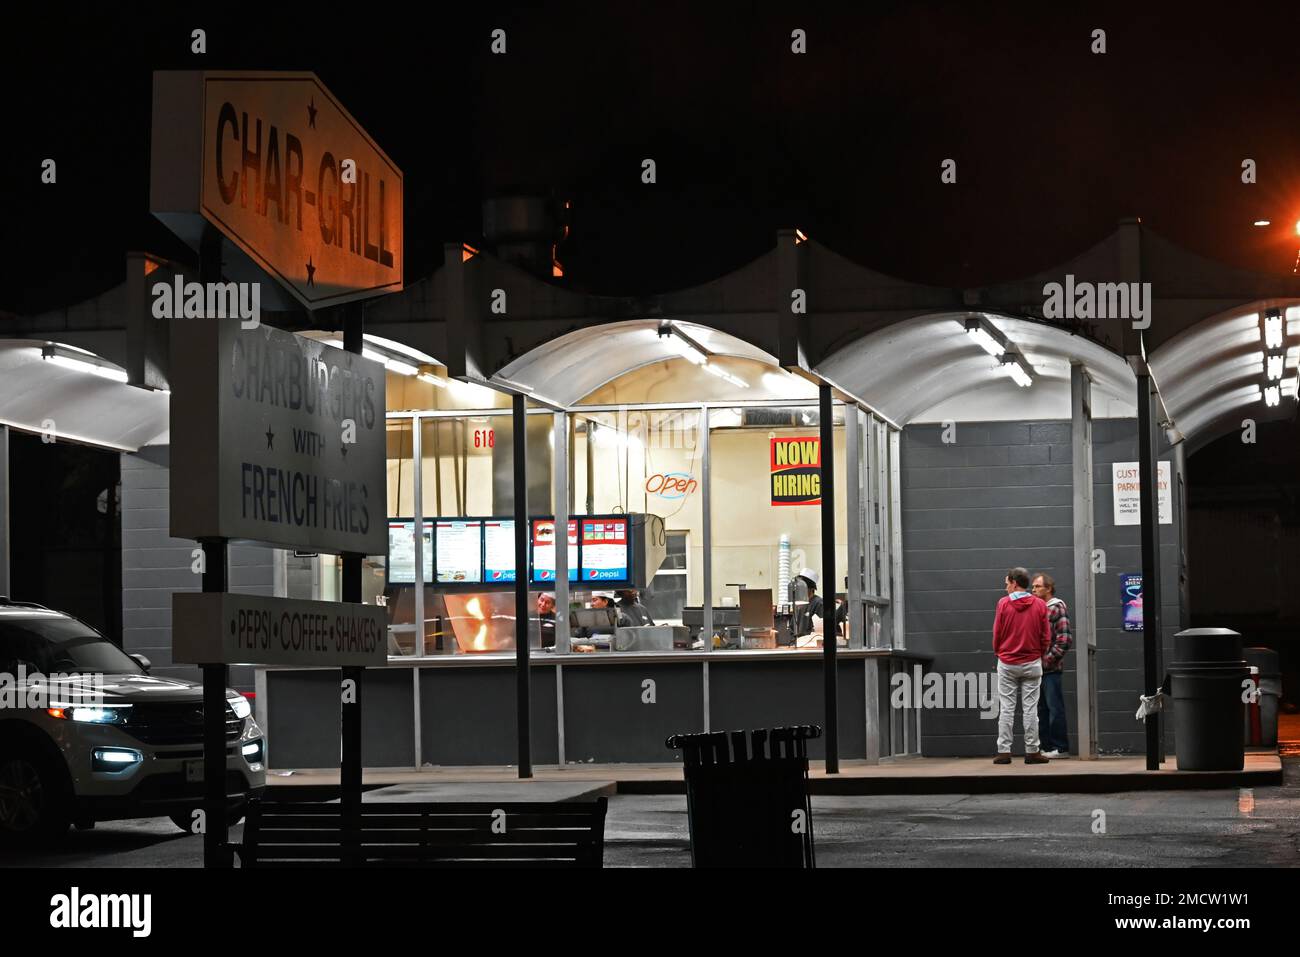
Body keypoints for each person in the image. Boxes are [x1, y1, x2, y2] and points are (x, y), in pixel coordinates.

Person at [992, 566, 1051, 765]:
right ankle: (1032, 751)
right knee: (1030, 710)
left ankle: (1004, 752)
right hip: (1032, 662)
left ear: (1014, 582)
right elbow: (1046, 636)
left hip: (1007, 662)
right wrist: (1039, 654)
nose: (1006, 586)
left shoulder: (1003, 604)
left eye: (1007, 583)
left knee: (1007, 708)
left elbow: (997, 633)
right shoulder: (1040, 605)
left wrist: (999, 652)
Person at [1031, 573, 1072, 758]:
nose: (1034, 590)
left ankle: (1061, 748)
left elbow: (1064, 639)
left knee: (1055, 708)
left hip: (1050, 670)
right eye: (1032, 587)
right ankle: (1047, 748)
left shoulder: (1056, 607)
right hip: (1037, 669)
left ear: (1048, 588)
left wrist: (1047, 661)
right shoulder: (1038, 608)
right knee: (1041, 710)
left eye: (1038, 586)